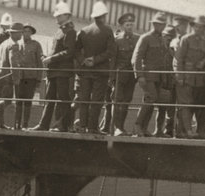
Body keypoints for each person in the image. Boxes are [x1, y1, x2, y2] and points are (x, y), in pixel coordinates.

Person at [33, 3, 78, 132]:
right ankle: (44, 124)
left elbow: (69, 52)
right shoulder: (60, 31)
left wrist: (51, 58)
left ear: (67, 15)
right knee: (49, 98)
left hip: (63, 71)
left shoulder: (70, 32)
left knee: (63, 98)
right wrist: (47, 57)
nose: (56, 18)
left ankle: (63, 125)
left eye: (59, 16)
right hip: (54, 71)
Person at [75, 1, 117, 134]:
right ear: (104, 15)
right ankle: (93, 127)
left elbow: (76, 51)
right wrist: (96, 60)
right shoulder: (108, 30)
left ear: (93, 16)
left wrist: (84, 61)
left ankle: (82, 126)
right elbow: (111, 52)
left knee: (84, 98)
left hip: (85, 71)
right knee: (97, 100)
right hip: (101, 71)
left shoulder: (84, 31)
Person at [133, 13, 173, 137]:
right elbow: (137, 57)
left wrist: (165, 77)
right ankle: (138, 125)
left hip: (159, 77)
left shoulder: (162, 39)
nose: (161, 26)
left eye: (163, 24)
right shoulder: (145, 38)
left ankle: (144, 128)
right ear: (154, 24)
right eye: (158, 24)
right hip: (148, 76)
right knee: (151, 98)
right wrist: (139, 75)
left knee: (152, 100)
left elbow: (164, 59)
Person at [174, 16, 205, 138]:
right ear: (193, 27)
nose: (198, 29)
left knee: (196, 104)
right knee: (186, 103)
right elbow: (178, 59)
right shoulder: (186, 39)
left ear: (204, 28)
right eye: (196, 26)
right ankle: (187, 131)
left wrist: (204, 62)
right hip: (186, 77)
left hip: (200, 80)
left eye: (201, 27)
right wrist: (180, 76)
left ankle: (187, 131)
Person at [0, 23, 25, 129]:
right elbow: (13, 63)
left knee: (0, 99)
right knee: (7, 100)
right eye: (20, 33)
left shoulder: (2, 44)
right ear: (14, 33)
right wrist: (16, 79)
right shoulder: (14, 45)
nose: (21, 35)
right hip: (7, 78)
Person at [110, 13, 138, 135]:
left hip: (131, 76)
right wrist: (111, 77)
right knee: (117, 101)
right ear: (122, 26)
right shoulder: (117, 40)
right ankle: (117, 127)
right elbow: (113, 60)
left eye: (131, 24)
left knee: (126, 101)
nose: (130, 27)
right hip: (119, 75)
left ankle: (121, 127)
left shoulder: (138, 39)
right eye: (127, 25)